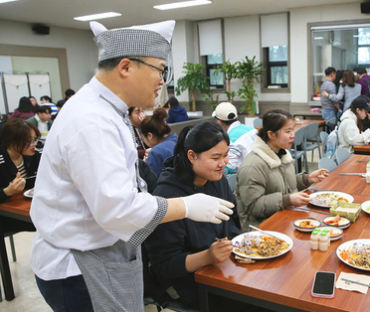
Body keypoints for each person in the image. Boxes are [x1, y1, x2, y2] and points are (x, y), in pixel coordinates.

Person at [30, 20, 234, 312]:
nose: (163, 80)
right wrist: (186, 206)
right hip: (78, 267)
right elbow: (118, 208)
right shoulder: (91, 121)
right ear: (126, 67)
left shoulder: (108, 111)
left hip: (100, 252)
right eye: (160, 69)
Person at [144, 121, 241, 309]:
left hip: (223, 271)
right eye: (216, 157)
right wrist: (208, 256)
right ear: (192, 156)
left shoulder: (216, 181)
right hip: (189, 285)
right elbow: (164, 266)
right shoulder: (168, 196)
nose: (224, 163)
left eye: (226, 155)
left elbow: (233, 224)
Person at [236, 109, 329, 231]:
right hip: (262, 229)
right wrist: (287, 200)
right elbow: (253, 207)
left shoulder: (281, 153)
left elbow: (283, 183)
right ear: (271, 134)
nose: (293, 135)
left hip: (285, 216)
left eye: (293, 130)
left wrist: (307, 178)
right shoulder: (253, 165)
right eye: (288, 131)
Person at [0, 119, 39, 247]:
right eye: (29, 141)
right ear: (12, 142)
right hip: (5, 215)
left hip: (26, 207)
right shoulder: (2, 161)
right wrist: (7, 192)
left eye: (35, 139)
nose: (34, 144)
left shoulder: (34, 156)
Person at [212, 102, 256, 174]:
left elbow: (230, 167)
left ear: (219, 122)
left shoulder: (230, 139)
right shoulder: (251, 129)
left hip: (250, 176)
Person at [140, 108, 178, 177]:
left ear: (149, 135)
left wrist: (145, 165)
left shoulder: (156, 153)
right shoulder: (177, 140)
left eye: (143, 138)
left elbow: (151, 182)